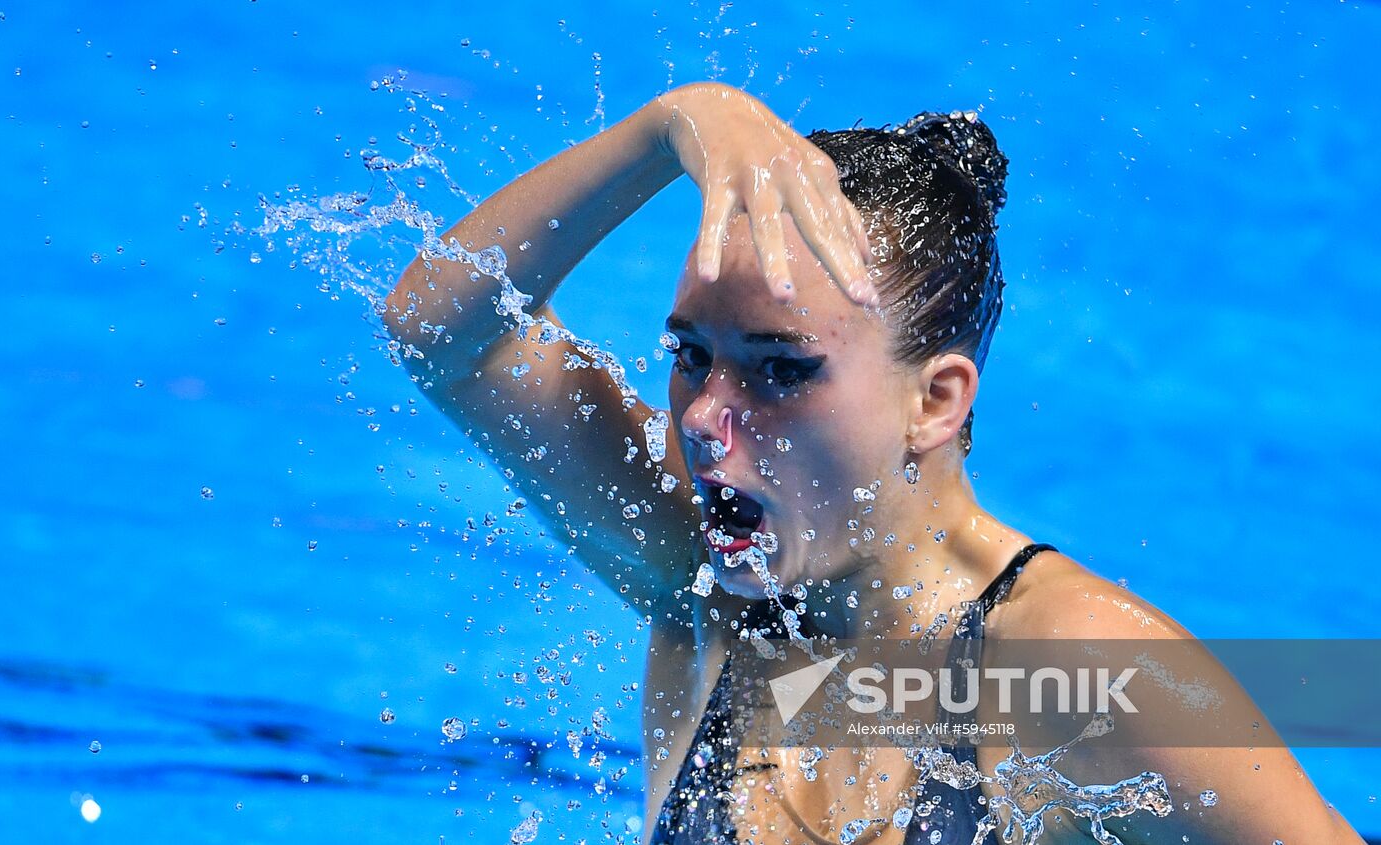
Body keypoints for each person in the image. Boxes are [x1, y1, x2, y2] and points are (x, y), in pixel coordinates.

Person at [383, 82, 1363, 844]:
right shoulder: (702, 574)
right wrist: (674, 125)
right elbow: (441, 328)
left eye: (780, 369)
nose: (705, 417)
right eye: (690, 355)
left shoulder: (1079, 668)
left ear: (933, 401)